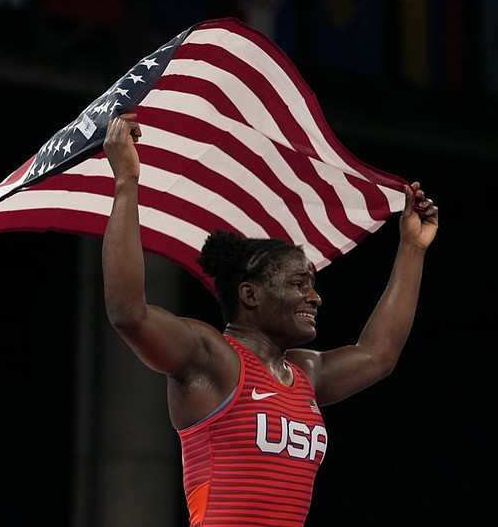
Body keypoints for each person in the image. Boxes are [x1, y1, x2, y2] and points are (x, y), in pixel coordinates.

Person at [101, 113, 439, 526]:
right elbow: (129, 316)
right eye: (299, 284)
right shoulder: (212, 358)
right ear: (250, 294)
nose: (314, 297)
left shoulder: (305, 373)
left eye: (312, 285)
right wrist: (125, 183)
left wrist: (412, 248)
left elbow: (379, 354)